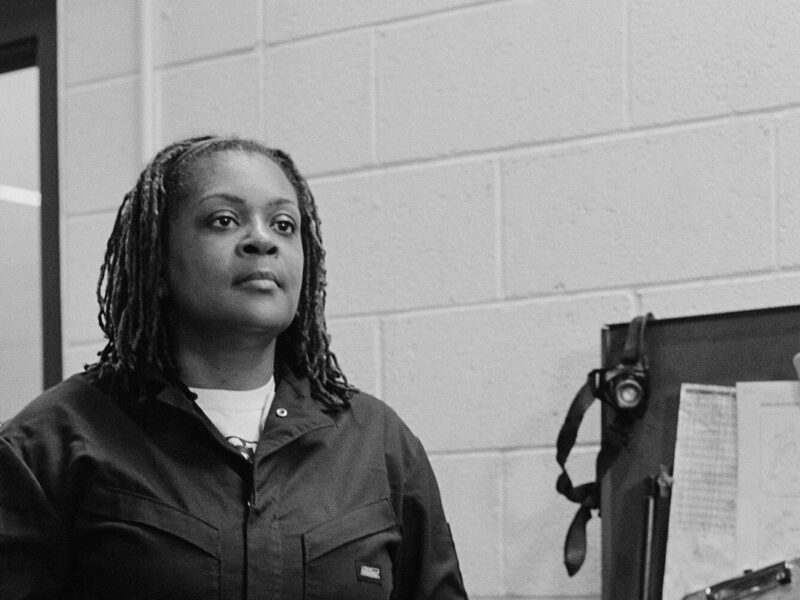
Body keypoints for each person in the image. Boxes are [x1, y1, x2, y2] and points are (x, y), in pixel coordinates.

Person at [0, 136, 468, 599]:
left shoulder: (376, 444)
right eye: (224, 220)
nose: (262, 240)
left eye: (284, 224)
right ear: (157, 262)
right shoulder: (53, 445)